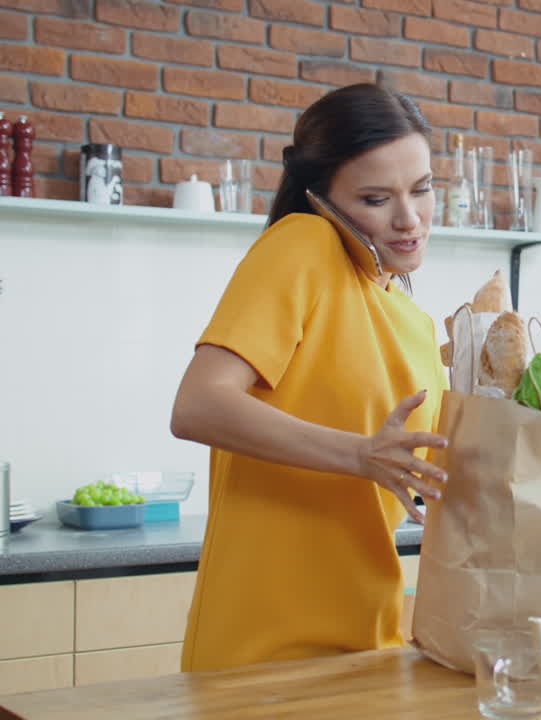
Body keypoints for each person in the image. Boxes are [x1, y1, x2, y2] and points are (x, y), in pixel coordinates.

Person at [170, 83, 449, 672]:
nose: (409, 218)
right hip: (265, 644)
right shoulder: (303, 244)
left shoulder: (416, 321)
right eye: (376, 198)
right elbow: (198, 405)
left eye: (421, 189)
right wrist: (360, 454)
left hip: (371, 632)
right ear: (319, 196)